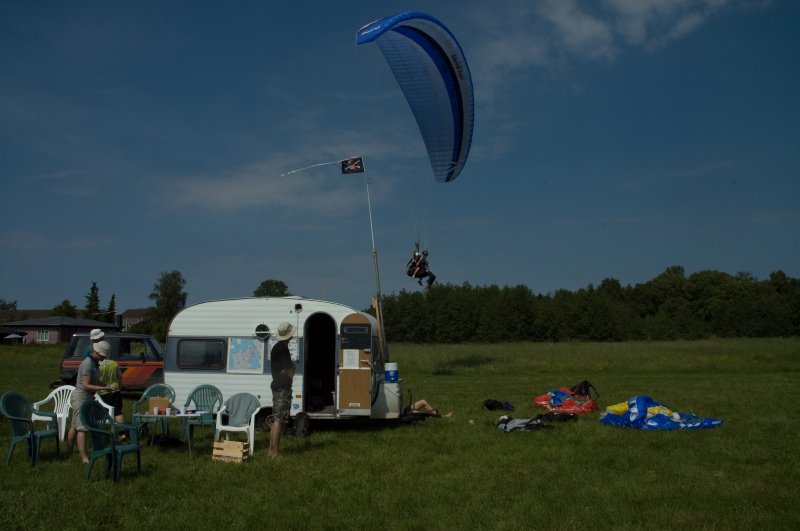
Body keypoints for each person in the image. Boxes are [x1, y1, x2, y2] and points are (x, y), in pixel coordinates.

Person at [66, 340, 113, 464]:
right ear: (97, 353)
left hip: (87, 397)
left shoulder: (94, 363)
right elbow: (86, 385)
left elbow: (94, 382)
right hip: (81, 397)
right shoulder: (87, 364)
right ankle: (84, 458)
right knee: (82, 427)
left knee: (75, 426)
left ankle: (69, 451)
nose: (103, 358)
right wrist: (103, 389)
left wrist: (104, 385)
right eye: (103, 355)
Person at [269, 322, 295, 458]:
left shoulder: (277, 347)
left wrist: (287, 370)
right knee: (279, 420)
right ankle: (275, 453)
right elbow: (290, 371)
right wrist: (291, 371)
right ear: (289, 336)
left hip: (277, 386)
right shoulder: (283, 349)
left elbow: (286, 369)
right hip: (282, 388)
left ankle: (271, 451)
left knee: (276, 419)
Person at [97, 353, 125, 436]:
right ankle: (122, 434)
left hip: (102, 392)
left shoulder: (98, 365)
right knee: (118, 413)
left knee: (102, 414)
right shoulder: (114, 364)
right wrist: (120, 387)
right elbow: (120, 377)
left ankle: (103, 434)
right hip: (115, 391)